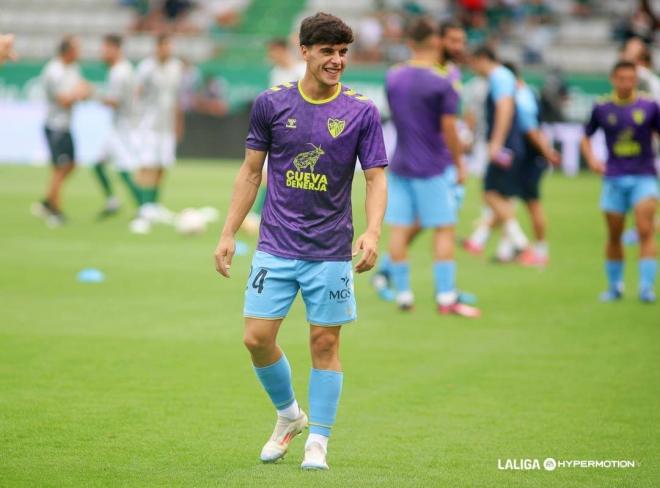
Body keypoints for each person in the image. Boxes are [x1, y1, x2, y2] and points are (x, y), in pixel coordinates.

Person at [213, 12, 388, 470]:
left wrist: (372, 231)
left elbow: (375, 178)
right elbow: (252, 171)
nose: (337, 61)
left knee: (325, 345)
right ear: (305, 51)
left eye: (343, 53)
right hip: (274, 243)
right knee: (255, 338)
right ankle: (290, 416)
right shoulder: (271, 104)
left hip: (330, 250)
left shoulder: (362, 110)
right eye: (328, 51)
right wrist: (229, 232)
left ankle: (319, 442)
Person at [375, 18, 479, 317]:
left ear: (409, 43)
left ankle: (404, 295)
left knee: (399, 229)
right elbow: (449, 128)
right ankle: (446, 297)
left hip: (401, 163)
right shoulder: (442, 81)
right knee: (444, 230)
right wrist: (460, 163)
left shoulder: (393, 76)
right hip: (433, 165)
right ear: (436, 43)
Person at [581, 60, 658, 303]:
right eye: (622, 79)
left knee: (645, 229)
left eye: (631, 79)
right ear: (613, 79)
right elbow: (585, 136)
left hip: (644, 174)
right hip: (614, 176)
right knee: (614, 234)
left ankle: (646, 287)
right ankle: (615, 287)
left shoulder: (649, 106)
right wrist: (592, 159)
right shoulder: (602, 107)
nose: (627, 83)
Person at [463, 47, 529, 258]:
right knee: (502, 196)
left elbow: (504, 108)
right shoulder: (503, 77)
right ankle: (507, 246)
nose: (472, 68)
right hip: (510, 145)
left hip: (505, 146)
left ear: (482, 58)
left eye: (473, 62)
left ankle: (521, 244)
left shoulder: (499, 77)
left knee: (491, 194)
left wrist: (497, 143)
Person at [242, 37, 307, 235]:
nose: (270, 56)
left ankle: (263, 214)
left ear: (281, 50)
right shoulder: (276, 73)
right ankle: (263, 214)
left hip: (301, 131)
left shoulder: (301, 71)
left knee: (290, 176)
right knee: (267, 173)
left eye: (273, 52)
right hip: (279, 130)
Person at [498, 62, 561, 266]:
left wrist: (546, 152)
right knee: (506, 201)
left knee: (531, 203)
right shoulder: (522, 93)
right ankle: (508, 249)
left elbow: (530, 129)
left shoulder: (522, 96)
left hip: (530, 158)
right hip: (525, 156)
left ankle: (538, 251)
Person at [32, 35, 91, 227]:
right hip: (54, 125)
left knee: (72, 165)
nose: (80, 53)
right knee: (59, 168)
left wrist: (80, 92)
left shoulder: (73, 68)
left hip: (66, 125)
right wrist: (79, 94)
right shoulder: (53, 71)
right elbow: (64, 99)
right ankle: (54, 211)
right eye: (77, 49)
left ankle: (48, 200)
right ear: (68, 51)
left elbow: (84, 87)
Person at [131, 33, 184, 234]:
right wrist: (136, 121)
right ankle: (144, 210)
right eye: (164, 46)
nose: (167, 50)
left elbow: (177, 98)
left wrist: (178, 123)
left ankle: (154, 205)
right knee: (147, 165)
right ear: (157, 47)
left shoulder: (176, 67)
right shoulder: (146, 68)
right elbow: (137, 94)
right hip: (148, 124)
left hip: (167, 125)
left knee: (162, 165)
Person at [92, 34, 142, 218]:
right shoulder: (123, 69)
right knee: (98, 164)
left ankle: (143, 209)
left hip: (123, 127)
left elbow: (113, 102)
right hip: (119, 125)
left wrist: (92, 93)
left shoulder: (119, 72)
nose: (102, 53)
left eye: (105, 49)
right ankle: (112, 202)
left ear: (115, 49)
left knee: (124, 167)